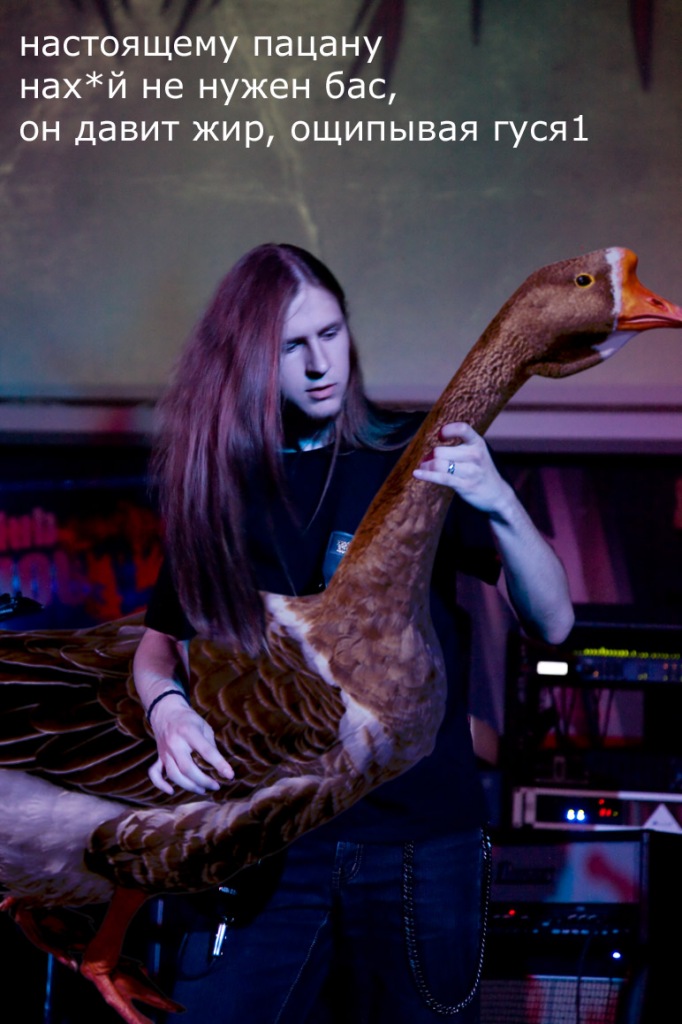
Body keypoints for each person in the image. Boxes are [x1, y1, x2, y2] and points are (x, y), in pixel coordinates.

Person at [133, 242, 574, 1023]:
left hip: (418, 847)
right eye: (291, 347)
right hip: (267, 842)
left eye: (330, 334)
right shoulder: (218, 486)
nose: (319, 364)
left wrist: (500, 501)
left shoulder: (418, 453)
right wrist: (168, 711)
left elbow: (554, 621)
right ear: (249, 358)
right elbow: (158, 647)